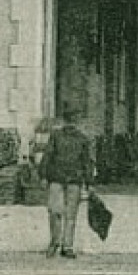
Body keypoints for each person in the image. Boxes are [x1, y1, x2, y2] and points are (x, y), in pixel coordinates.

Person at [40, 107, 96, 259]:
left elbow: (47, 156)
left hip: (62, 179)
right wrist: (89, 182)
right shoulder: (79, 138)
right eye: (72, 119)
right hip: (70, 180)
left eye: (73, 120)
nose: (72, 123)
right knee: (66, 214)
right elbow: (87, 162)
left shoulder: (60, 136)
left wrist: (43, 176)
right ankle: (64, 245)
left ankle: (59, 243)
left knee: (57, 212)